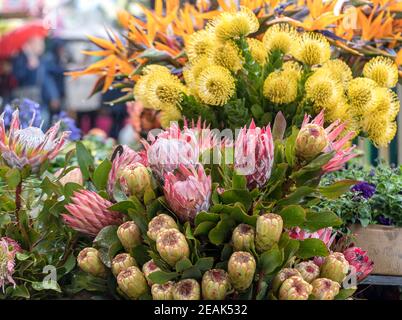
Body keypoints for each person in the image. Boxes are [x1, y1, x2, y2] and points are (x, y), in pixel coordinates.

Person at [41, 38, 67, 121]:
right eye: (60, 47)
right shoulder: (49, 59)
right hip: (51, 96)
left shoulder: (58, 58)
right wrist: (54, 97)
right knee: (51, 120)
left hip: (58, 94)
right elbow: (48, 79)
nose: (62, 50)